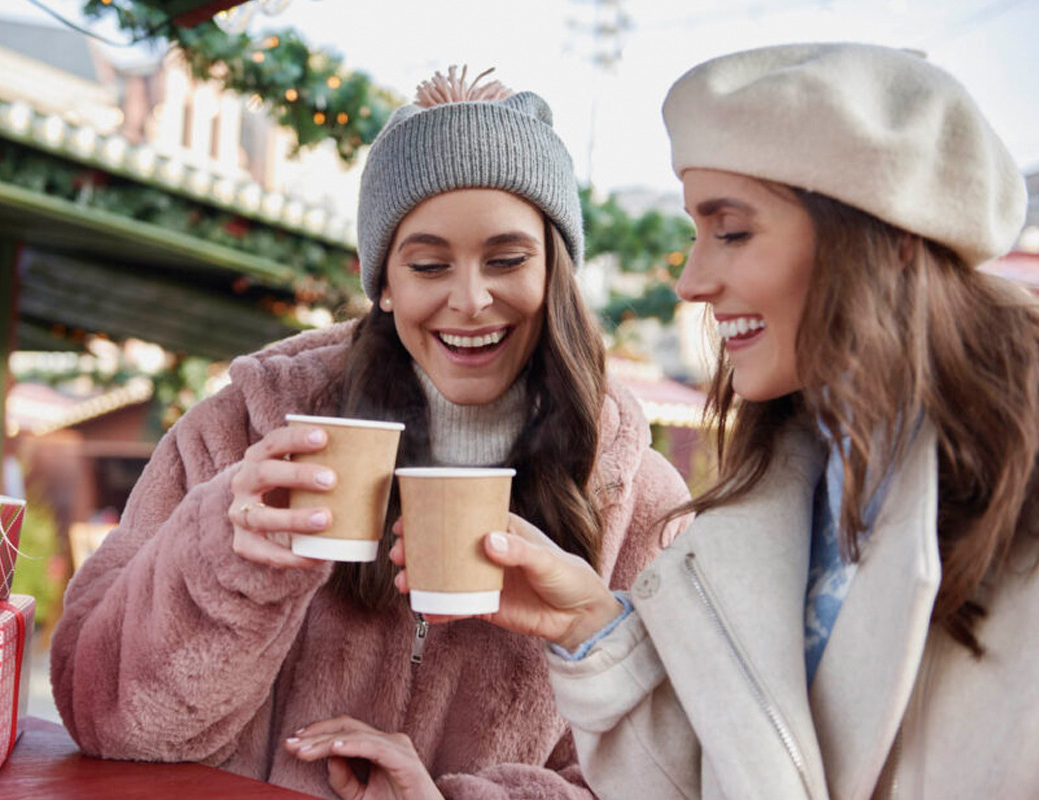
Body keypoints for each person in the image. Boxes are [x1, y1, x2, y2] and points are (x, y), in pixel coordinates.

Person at [407, 43, 1039, 799]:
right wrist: (593, 631)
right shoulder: (780, 494)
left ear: (890, 238)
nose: (692, 280)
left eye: (732, 232)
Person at [49, 66, 689, 800]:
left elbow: (659, 779)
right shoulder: (241, 431)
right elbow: (104, 720)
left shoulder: (633, 497)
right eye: (428, 265)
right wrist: (225, 557)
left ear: (556, 272)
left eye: (508, 260)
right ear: (381, 280)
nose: (471, 299)